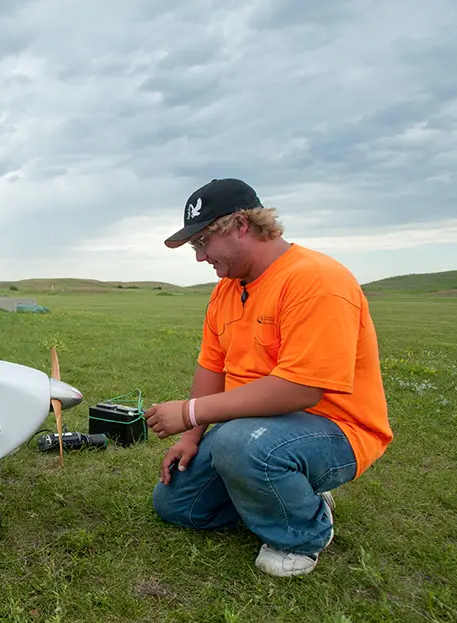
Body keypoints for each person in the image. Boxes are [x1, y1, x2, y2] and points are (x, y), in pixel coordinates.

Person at [145, 178, 393, 578]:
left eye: (203, 241)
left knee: (239, 444)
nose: (200, 257)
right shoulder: (226, 291)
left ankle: (304, 531)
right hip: (254, 432)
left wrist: (191, 413)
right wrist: (191, 438)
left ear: (241, 224)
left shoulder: (316, 280)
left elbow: (301, 388)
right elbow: (212, 366)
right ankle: (286, 492)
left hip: (336, 430)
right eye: (195, 246)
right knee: (177, 503)